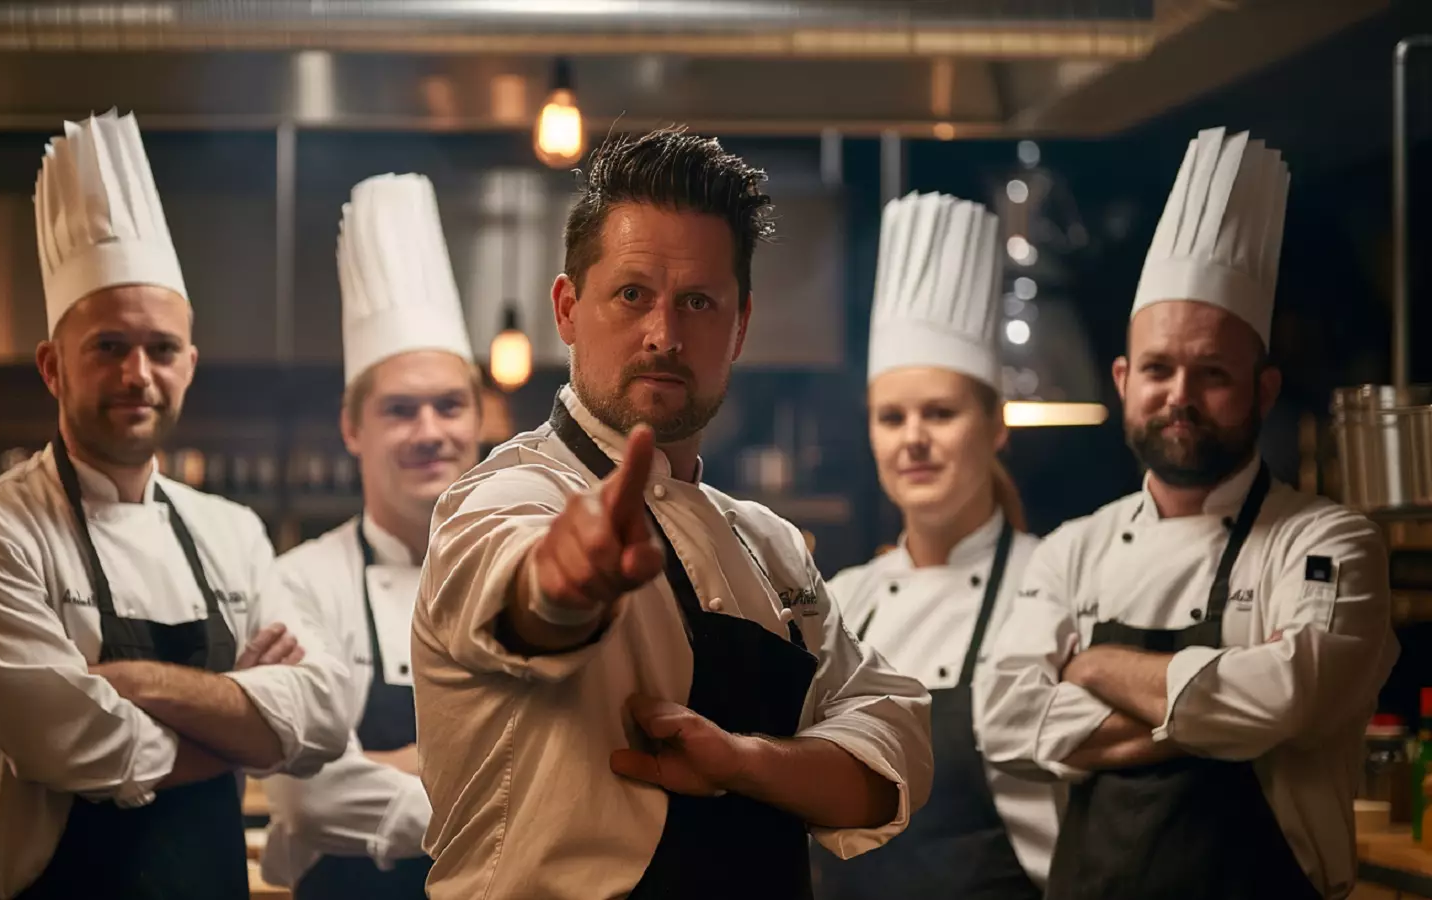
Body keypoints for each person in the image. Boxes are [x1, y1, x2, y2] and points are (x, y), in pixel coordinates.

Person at [411, 127, 934, 900]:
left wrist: (740, 762)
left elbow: (893, 748)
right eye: (631, 295)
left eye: (698, 302)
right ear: (566, 308)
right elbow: (520, 593)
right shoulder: (504, 499)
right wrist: (566, 581)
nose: (664, 333)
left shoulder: (770, 547)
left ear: (740, 324)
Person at [0, 111, 352, 900]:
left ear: (189, 363)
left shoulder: (232, 531)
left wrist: (128, 682)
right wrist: (246, 729)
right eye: (108, 347)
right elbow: (69, 746)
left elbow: (320, 713)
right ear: (53, 367)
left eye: (159, 349)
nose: (137, 375)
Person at [976, 127, 1398, 900]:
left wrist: (1090, 667)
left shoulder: (1328, 540)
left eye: (1212, 373)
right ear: (1122, 379)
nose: (1180, 396)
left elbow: (1284, 697)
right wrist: (1221, 718)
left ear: (1264, 389)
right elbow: (1006, 719)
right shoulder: (1073, 549)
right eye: (1160, 369)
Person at [812, 192, 1060, 899]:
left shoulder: (1051, 581)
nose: (913, 437)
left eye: (940, 413)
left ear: (996, 425)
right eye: (892, 417)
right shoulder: (845, 599)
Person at [259, 173, 482, 900]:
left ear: (478, 420)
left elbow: (578, 760)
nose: (430, 432)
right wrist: (499, 802)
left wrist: (399, 762)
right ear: (353, 427)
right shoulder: (297, 582)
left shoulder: (528, 576)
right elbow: (304, 795)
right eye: (400, 409)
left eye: (449, 405)